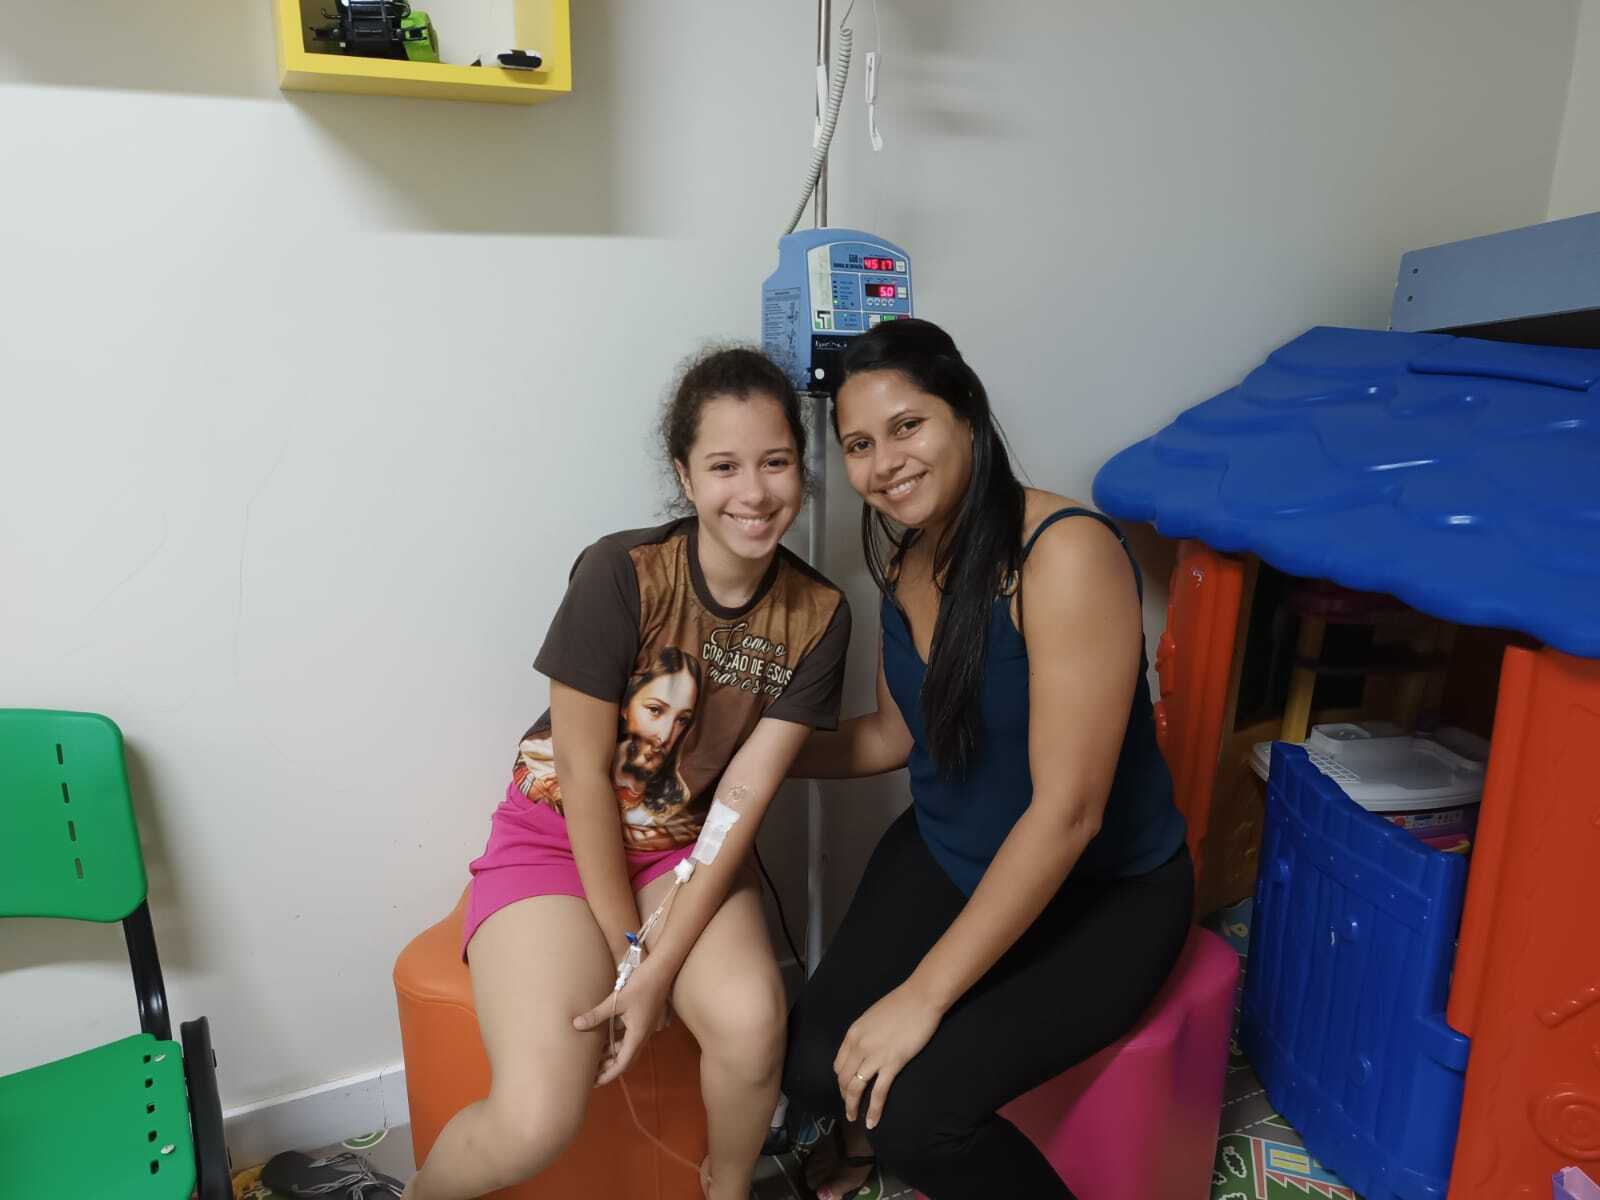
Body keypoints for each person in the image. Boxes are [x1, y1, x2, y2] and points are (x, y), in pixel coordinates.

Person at [403, 347, 851, 1200]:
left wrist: (662, 960)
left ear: (801, 466)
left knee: (754, 1023)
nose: (754, 493)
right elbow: (580, 770)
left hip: (683, 850)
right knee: (536, 1120)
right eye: (724, 465)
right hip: (558, 837)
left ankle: (726, 1189)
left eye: (775, 462)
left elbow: (744, 795)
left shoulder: (820, 613)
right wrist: (629, 956)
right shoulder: (622, 570)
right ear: (685, 475)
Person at [782, 318, 1193, 1200]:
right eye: (859, 445)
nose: (884, 463)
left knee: (919, 1118)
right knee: (813, 1063)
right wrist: (749, 753)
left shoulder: (1065, 552)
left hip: (1100, 889)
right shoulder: (906, 567)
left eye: (907, 425)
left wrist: (923, 996)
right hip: (951, 850)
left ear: (965, 413)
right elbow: (891, 738)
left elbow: (1069, 813)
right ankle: (859, 1147)